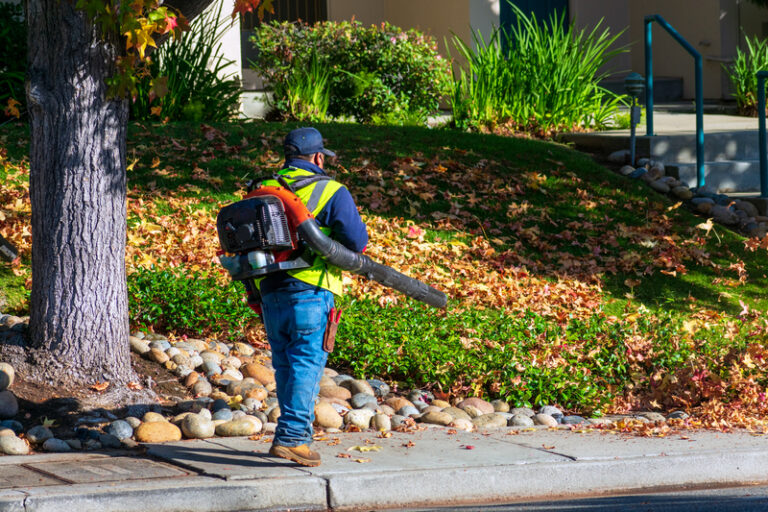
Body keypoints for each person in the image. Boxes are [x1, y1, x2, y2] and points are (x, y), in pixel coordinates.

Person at [248, 127, 368, 467]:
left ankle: (296, 435)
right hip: (311, 290)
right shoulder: (332, 190)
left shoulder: (261, 189)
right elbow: (357, 244)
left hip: (269, 290)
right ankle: (291, 438)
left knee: (285, 365)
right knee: (305, 365)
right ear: (318, 158)